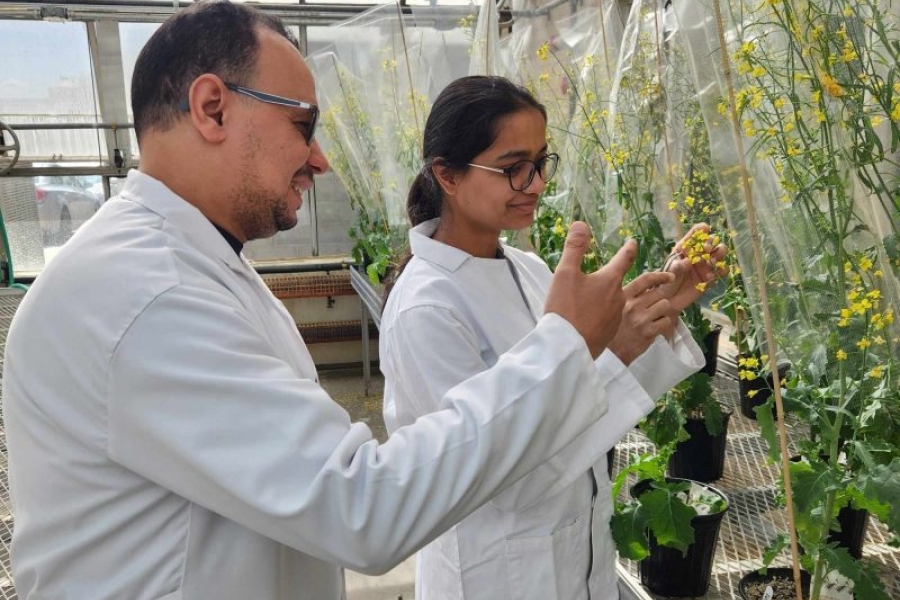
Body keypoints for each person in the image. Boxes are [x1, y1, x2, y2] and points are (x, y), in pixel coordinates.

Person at [0, 3, 694, 600]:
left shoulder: (201, 269)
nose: (321, 159)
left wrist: (615, 339)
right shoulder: (145, 292)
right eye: (303, 126)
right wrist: (564, 344)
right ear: (212, 107)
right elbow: (363, 505)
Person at [379, 75, 727, 600]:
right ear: (447, 176)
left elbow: (586, 401)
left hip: (576, 558)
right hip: (497, 574)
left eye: (541, 163)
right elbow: (508, 482)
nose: (537, 183)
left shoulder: (529, 268)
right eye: (513, 168)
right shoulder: (427, 308)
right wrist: (614, 350)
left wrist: (658, 308)